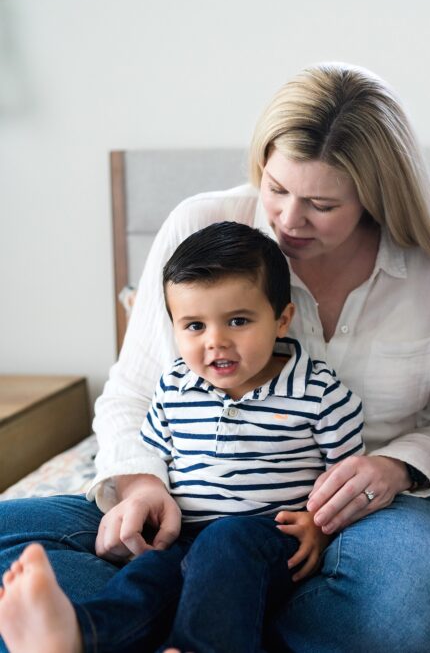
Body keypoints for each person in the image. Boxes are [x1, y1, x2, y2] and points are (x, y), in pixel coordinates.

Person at [0, 62, 430, 653]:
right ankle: (135, 625)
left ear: (375, 197)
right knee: (16, 537)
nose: (288, 219)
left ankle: (159, 624)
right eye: (276, 188)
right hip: (188, 505)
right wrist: (142, 484)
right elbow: (134, 393)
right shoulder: (202, 226)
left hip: (357, 513)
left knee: (412, 611)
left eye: (322, 204)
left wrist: (396, 467)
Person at [0, 221, 367, 652]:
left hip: (267, 540)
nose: (216, 342)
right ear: (173, 327)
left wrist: (319, 529)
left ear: (282, 319)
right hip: (185, 533)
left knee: (226, 542)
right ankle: (80, 634)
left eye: (238, 320)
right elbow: (152, 459)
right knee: (148, 575)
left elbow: (347, 480)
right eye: (194, 326)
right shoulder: (174, 385)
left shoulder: (318, 392)